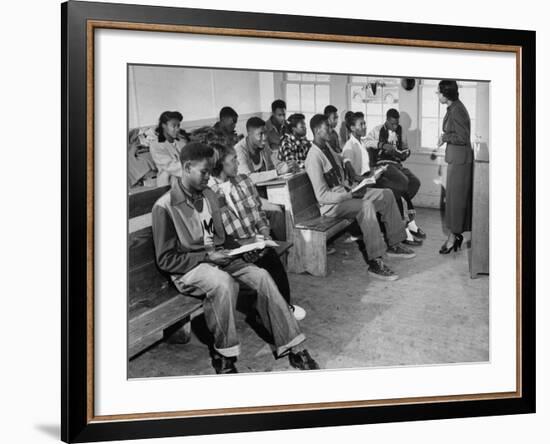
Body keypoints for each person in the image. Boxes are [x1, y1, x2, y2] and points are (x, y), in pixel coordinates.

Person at [151, 142, 319, 374]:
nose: (208, 177)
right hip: (189, 268)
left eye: (210, 171)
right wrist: (207, 256)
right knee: (224, 284)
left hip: (216, 258)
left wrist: (240, 248)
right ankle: (224, 355)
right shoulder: (165, 206)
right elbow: (166, 259)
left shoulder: (207, 195)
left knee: (262, 276)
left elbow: (214, 234)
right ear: (187, 167)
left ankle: (294, 346)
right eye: (204, 172)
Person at [304, 114, 415, 281]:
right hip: (332, 206)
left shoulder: (327, 148)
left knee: (386, 194)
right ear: (317, 131)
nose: (331, 129)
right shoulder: (313, 157)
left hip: (346, 194)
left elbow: (343, 167)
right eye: (327, 127)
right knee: (366, 206)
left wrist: (359, 183)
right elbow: (322, 196)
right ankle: (375, 262)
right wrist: (349, 194)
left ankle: (395, 243)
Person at [208, 143, 306, 321]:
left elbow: (258, 213)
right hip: (233, 248)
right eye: (233, 160)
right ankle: (270, 312)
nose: (238, 163)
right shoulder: (210, 193)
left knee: (273, 261)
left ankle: (284, 307)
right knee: (261, 268)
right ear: (220, 164)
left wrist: (264, 231)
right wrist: (243, 246)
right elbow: (219, 232)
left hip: (254, 240)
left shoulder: (244, 181)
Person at [364, 108, 426, 243]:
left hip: (397, 164)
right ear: (386, 120)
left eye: (397, 123)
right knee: (402, 182)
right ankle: (405, 224)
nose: (395, 126)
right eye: (392, 123)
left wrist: (405, 153)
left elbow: (406, 149)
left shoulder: (400, 131)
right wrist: (382, 145)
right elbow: (366, 142)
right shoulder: (376, 130)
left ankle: (401, 212)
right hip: (384, 165)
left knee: (415, 182)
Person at [234, 117, 289, 241]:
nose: (265, 137)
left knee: (289, 203)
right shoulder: (239, 150)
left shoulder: (263, 146)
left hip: (264, 192)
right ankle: (284, 248)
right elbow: (248, 178)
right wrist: (277, 172)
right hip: (247, 197)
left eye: (266, 133)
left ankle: (290, 242)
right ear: (249, 134)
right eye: (260, 134)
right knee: (276, 210)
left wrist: (287, 166)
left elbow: (275, 163)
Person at [436, 80, 473, 254]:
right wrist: (446, 136)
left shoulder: (457, 110)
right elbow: (455, 133)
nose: (438, 95)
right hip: (457, 159)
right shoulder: (453, 107)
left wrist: (445, 138)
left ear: (446, 94)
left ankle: (453, 238)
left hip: (460, 161)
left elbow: (463, 138)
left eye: (439, 92)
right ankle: (455, 236)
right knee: (453, 201)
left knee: (456, 203)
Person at [149, 111, 187, 186]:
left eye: (178, 126)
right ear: (164, 126)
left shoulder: (181, 142)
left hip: (185, 177)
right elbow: (170, 166)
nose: (177, 129)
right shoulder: (156, 145)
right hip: (167, 183)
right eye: (174, 126)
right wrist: (192, 170)